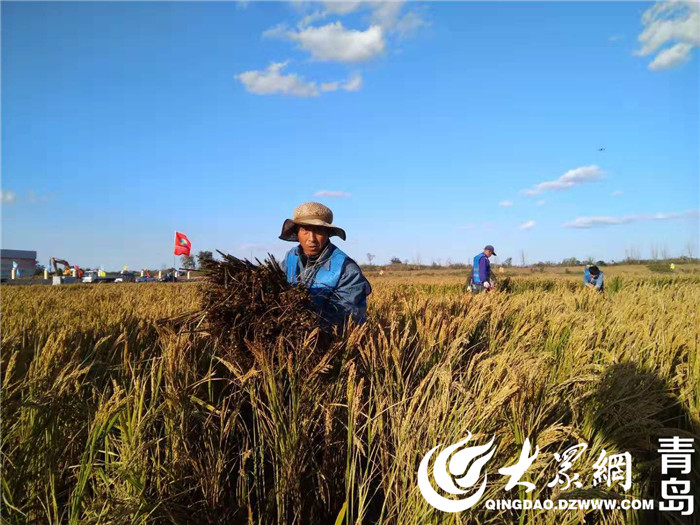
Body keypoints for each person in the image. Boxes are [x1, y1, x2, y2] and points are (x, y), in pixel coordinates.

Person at [280, 202, 371, 327]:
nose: (311, 238)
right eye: (305, 230)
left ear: (328, 233)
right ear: (297, 232)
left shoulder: (347, 270)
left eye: (318, 230)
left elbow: (344, 319)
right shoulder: (290, 258)